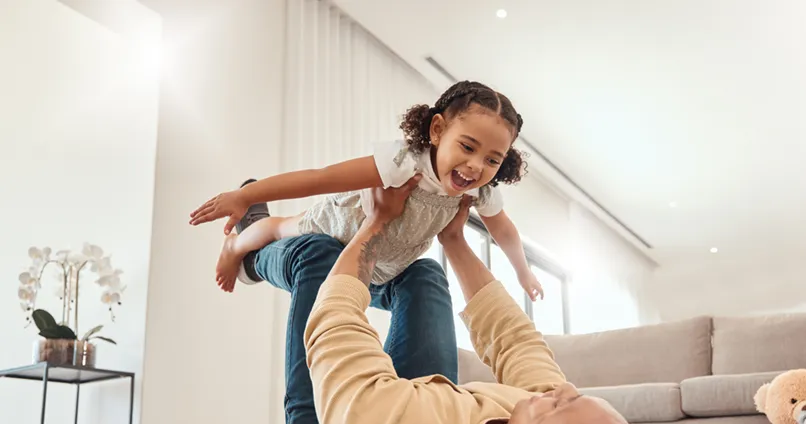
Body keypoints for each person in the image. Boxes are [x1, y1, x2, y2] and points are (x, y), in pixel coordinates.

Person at [267, 179, 652, 424]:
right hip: (413, 409)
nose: (562, 390)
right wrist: (454, 238)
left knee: (318, 256)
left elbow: (333, 321)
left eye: (559, 407)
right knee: (425, 275)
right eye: (576, 396)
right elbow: (515, 340)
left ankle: (250, 255)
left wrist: (376, 221)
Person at [188, 80, 544, 302]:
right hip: (337, 227)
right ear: (437, 130)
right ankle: (237, 244)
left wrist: (522, 271)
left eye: (493, 160)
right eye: (467, 147)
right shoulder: (405, 161)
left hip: (380, 261)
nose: (477, 167)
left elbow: (504, 232)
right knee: (281, 227)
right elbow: (320, 178)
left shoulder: (479, 192)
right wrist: (245, 197)